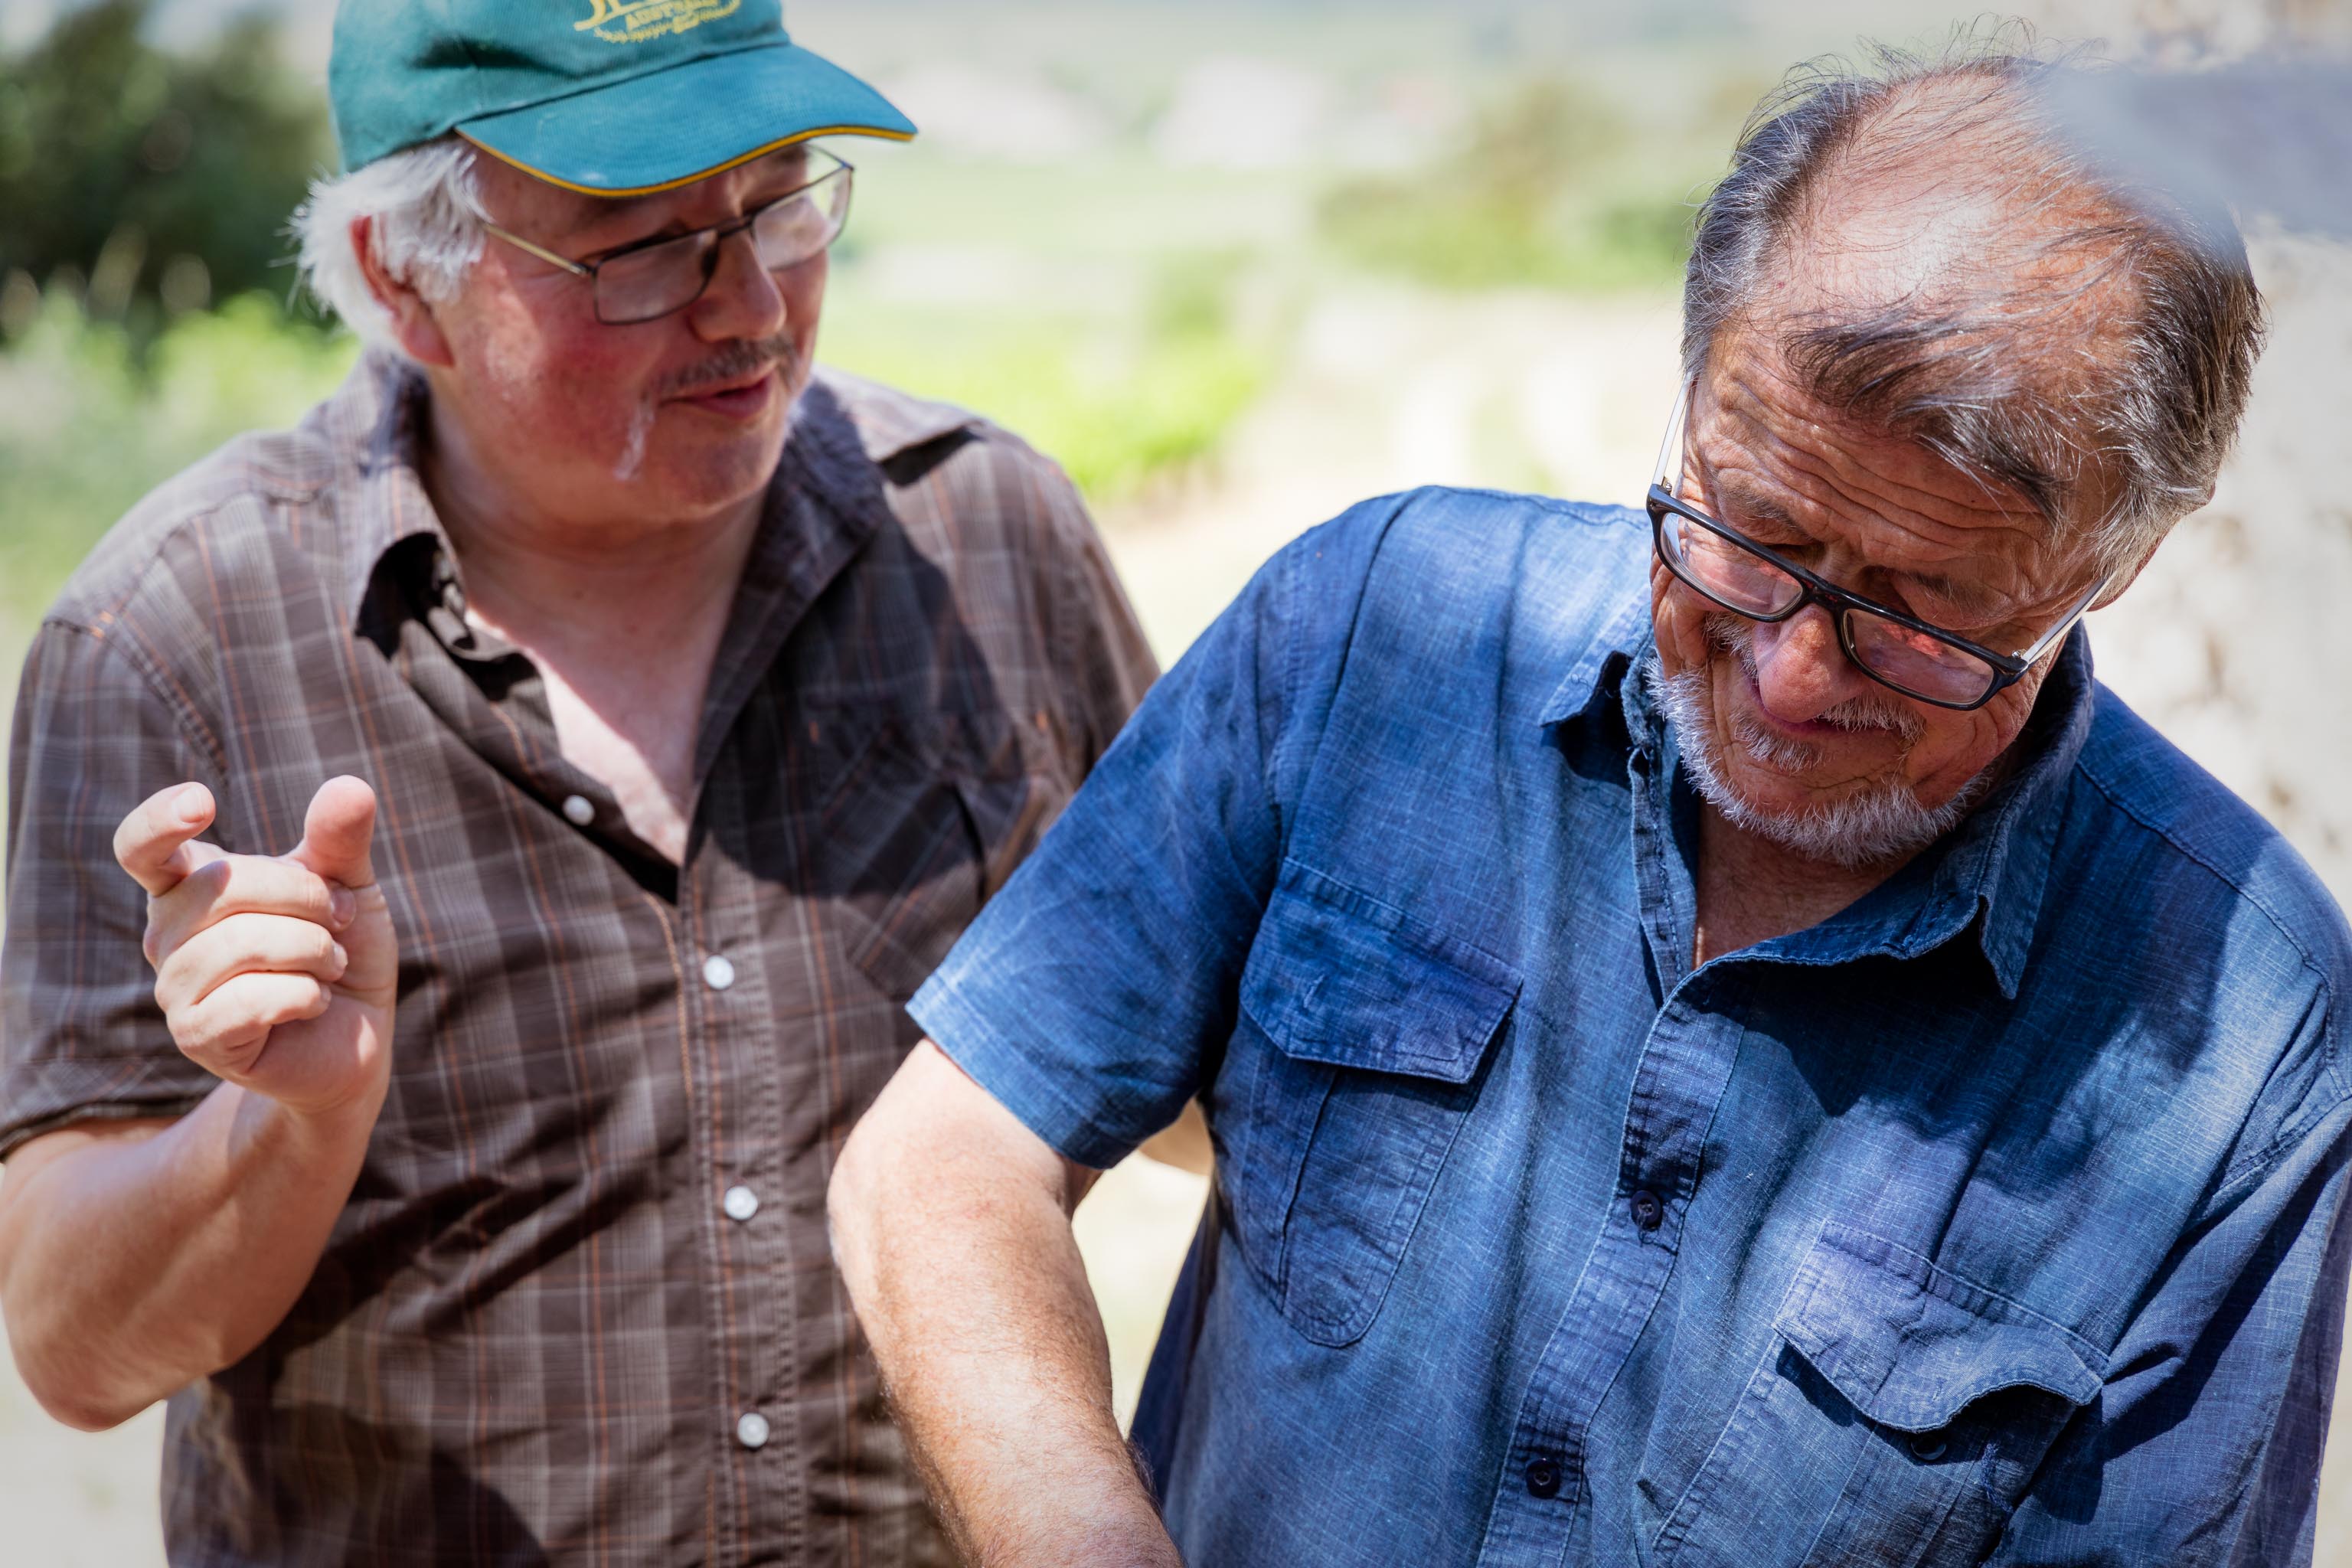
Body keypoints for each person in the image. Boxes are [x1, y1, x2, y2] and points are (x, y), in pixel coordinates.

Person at [828, 41, 2352, 1568]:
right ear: (1693, 389)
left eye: (1923, 616)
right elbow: (948, 1156)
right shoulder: (1378, 624)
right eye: (1751, 530)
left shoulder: (2247, 1040)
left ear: (2108, 568)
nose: (1790, 676)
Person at [0, 2, 1155, 1562]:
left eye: (779, 200)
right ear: (410, 285)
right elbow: (76, 1353)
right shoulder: (173, 638)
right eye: (637, 242)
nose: (747, 302)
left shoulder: (982, 538)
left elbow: (1211, 1085)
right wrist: (284, 1121)